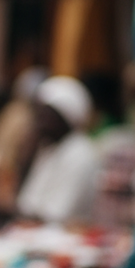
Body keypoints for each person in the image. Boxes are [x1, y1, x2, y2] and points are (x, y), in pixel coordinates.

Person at [17, 74, 99, 223]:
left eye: (46, 114)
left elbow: (57, 214)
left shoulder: (80, 153)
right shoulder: (48, 148)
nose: (39, 121)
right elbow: (26, 203)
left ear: (65, 116)